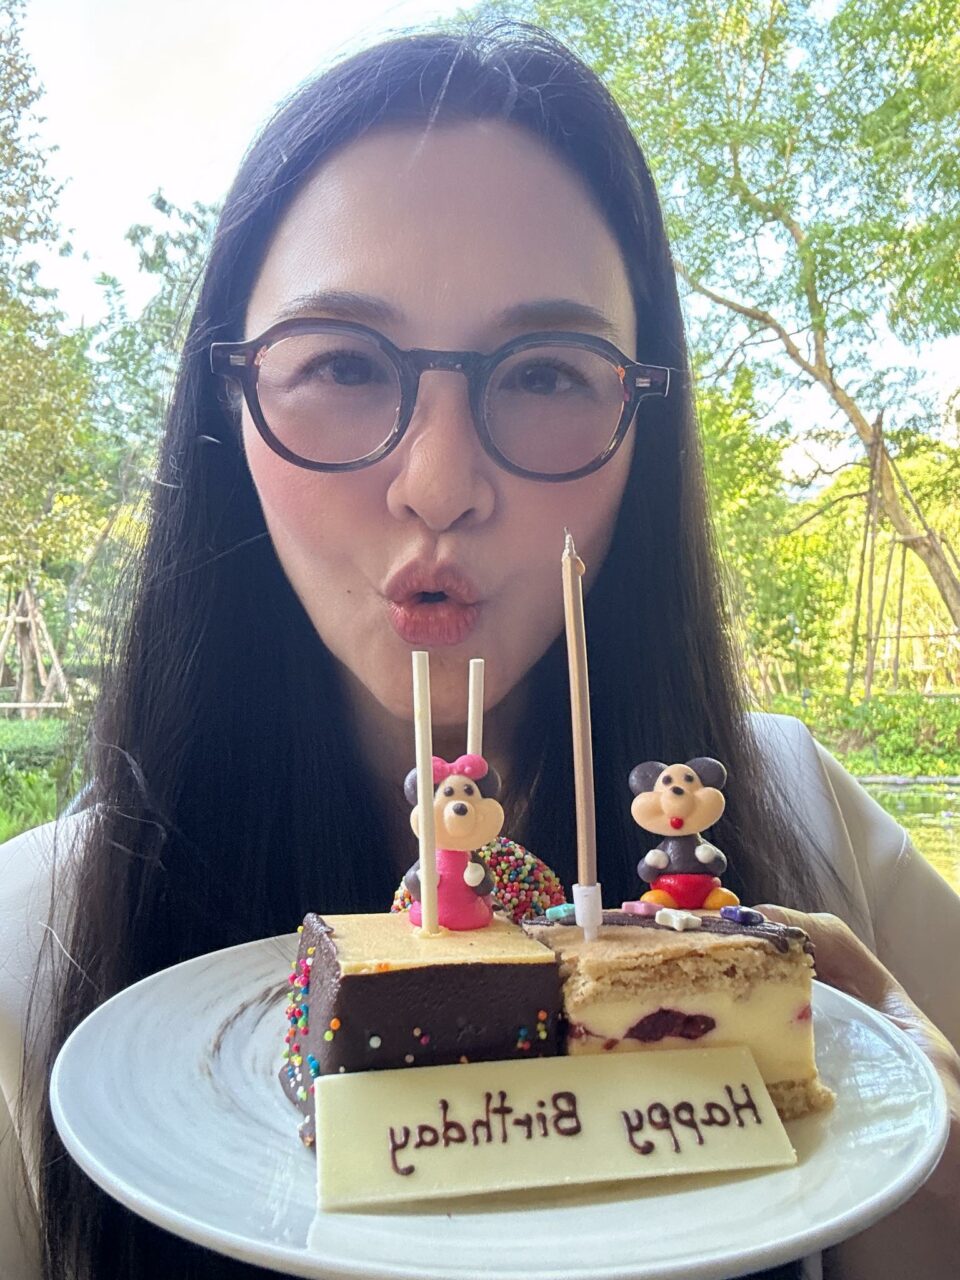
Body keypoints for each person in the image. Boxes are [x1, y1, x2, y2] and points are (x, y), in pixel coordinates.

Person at [0, 18, 957, 1280]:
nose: (441, 483)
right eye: (342, 361)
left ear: (644, 420)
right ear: (227, 401)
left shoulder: (819, 833)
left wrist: (922, 1168)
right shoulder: (33, 948)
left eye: (547, 374)